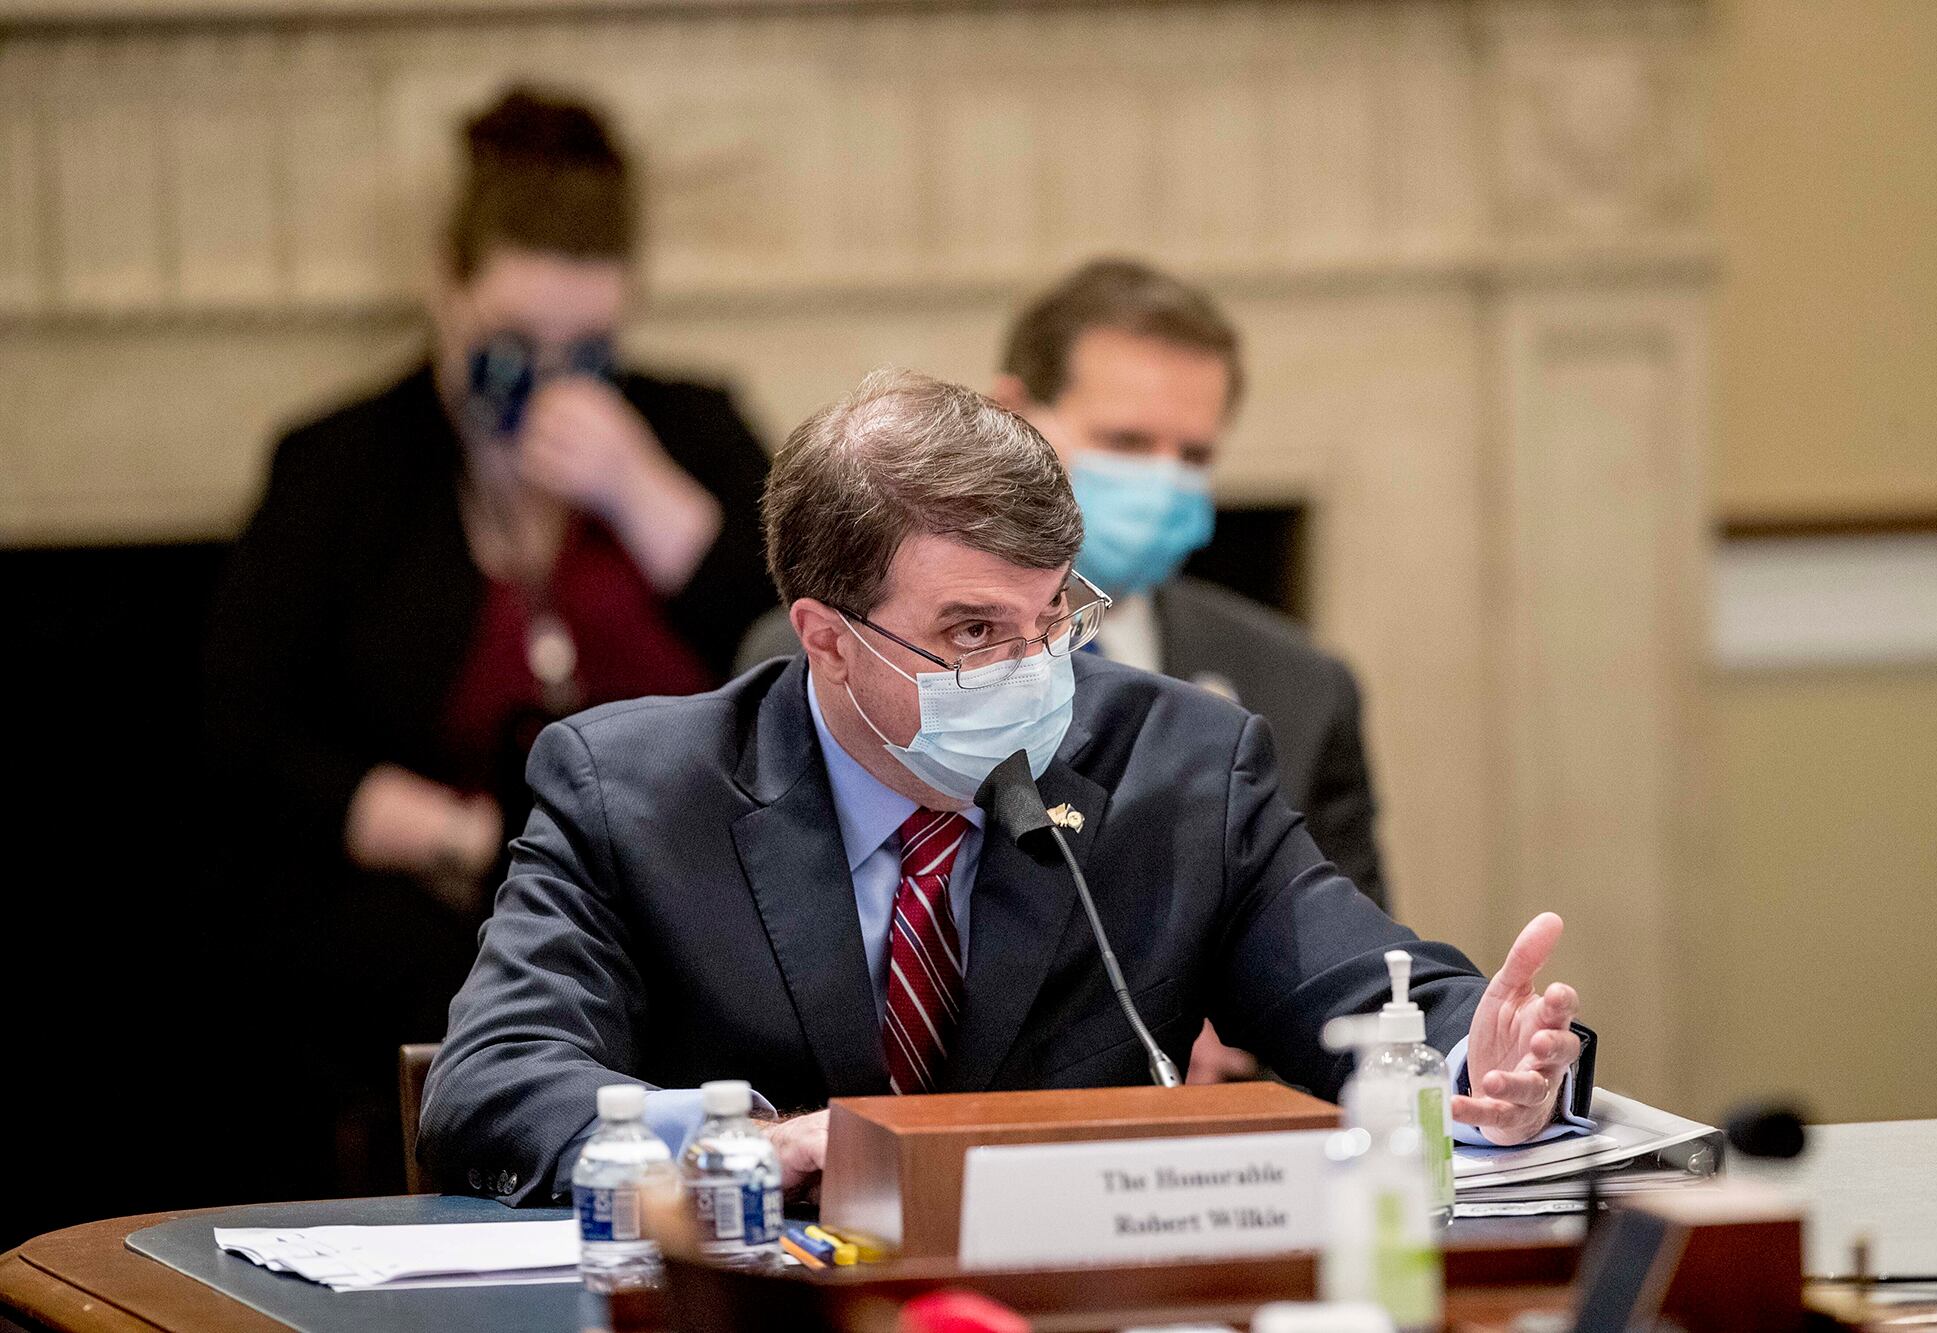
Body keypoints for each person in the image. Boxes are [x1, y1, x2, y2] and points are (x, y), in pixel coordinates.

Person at [419, 370, 1590, 1206]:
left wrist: (1475, 1061)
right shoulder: (633, 788)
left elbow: (1371, 989)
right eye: (970, 630)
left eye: (1050, 621)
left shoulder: (1180, 763)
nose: (1029, 671)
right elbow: (495, 1081)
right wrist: (746, 1143)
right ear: (823, 636)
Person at [204, 86, 775, 1196]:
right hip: (441, 894)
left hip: (691, 882)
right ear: (445, 290)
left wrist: (644, 493)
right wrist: (444, 831)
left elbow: (800, 644)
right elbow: (242, 727)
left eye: (588, 346)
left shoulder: (692, 431)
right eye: (514, 342)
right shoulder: (348, 467)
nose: (551, 377)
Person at [735, 258, 1385, 1084]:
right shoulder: (804, 659)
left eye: (1193, 454)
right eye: (1125, 443)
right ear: (1012, 415)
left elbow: (1352, 969)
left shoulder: (1298, 684)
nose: (1162, 481)